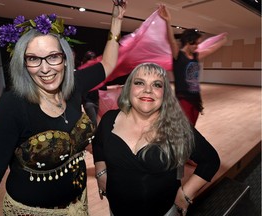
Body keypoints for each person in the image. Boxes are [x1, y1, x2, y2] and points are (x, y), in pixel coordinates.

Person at [0, 1, 127, 215]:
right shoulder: (13, 105)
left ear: (66, 59)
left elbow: (108, 64)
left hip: (79, 206)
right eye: (33, 59)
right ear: (23, 64)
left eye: (53, 57)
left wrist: (116, 22)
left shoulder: (74, 86)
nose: (45, 68)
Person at [92, 63, 220, 216]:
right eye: (139, 83)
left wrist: (186, 194)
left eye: (157, 85)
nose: (148, 90)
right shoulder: (109, 120)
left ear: (164, 93)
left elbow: (210, 160)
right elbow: (98, 143)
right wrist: (100, 171)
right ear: (128, 88)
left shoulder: (177, 127)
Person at [158, 5, 228, 126]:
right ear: (188, 41)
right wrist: (168, 21)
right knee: (184, 127)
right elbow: (172, 41)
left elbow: (211, 49)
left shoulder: (196, 56)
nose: (197, 46)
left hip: (196, 99)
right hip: (183, 99)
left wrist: (222, 41)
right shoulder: (178, 56)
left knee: (192, 128)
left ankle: (189, 144)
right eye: (195, 43)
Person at [80, 50, 100, 127]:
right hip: (88, 102)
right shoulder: (83, 72)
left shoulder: (95, 72)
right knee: (94, 123)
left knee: (94, 123)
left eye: (93, 60)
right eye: (90, 60)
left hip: (96, 100)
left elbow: (100, 86)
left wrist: (116, 87)